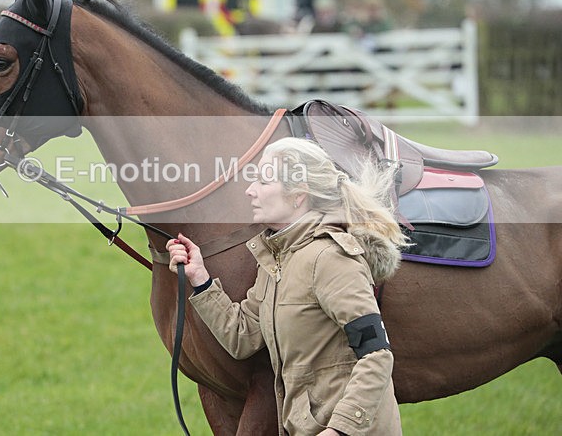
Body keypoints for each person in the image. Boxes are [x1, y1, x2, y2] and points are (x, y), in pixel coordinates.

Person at [167, 137, 406, 435]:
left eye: (263, 182)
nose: (250, 190)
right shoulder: (277, 260)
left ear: (298, 195)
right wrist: (200, 279)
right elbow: (243, 336)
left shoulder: (331, 259)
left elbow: (376, 354)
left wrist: (340, 429)